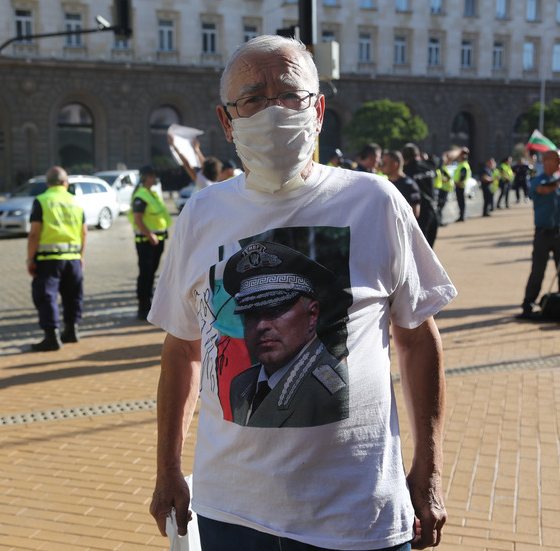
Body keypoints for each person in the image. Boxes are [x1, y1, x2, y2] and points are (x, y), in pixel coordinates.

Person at [148, 35, 454, 551]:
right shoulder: (200, 216)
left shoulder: (374, 202)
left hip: (357, 517)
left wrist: (429, 472)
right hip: (231, 513)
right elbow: (182, 350)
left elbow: (419, 341)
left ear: (318, 109)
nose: (273, 110)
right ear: (227, 121)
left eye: (290, 94)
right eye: (252, 98)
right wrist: (167, 470)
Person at [222, 242, 347, 427]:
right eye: (251, 315)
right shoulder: (242, 384)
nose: (261, 325)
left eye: (275, 310)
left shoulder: (330, 390)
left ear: (311, 315)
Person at [26, 166, 88, 351]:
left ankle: (51, 336)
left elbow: (34, 234)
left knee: (47, 297)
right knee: (73, 296)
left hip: (48, 259)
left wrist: (30, 260)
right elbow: (84, 232)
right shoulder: (75, 202)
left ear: (48, 183)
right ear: (65, 182)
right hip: (73, 258)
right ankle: (71, 330)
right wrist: (81, 257)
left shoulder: (42, 200)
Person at [519, 149, 560, 319]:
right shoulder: (538, 180)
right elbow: (545, 189)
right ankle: (528, 306)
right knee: (538, 271)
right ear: (545, 161)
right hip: (543, 234)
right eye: (557, 160)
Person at [132, 165, 173, 320]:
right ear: (147, 177)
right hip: (146, 241)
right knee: (145, 274)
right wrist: (149, 235)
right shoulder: (141, 195)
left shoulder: (152, 194)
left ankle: (148, 304)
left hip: (157, 240)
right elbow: (137, 219)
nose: (155, 178)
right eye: (153, 175)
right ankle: (143, 306)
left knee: (151, 273)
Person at [401, 143, 440, 247]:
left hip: (417, 213)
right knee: (429, 248)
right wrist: (459, 151)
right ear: (418, 155)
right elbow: (446, 157)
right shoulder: (429, 166)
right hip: (433, 210)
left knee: (417, 249)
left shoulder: (405, 172)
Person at [382, 150, 422, 220]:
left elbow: (415, 213)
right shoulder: (386, 183)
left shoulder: (409, 186)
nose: (381, 166)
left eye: (384, 163)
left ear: (395, 165)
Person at [453, 148, 471, 222]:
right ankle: (462, 215)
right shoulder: (464, 165)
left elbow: (462, 177)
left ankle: (462, 216)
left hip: (460, 186)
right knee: (461, 201)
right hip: (461, 185)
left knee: (461, 202)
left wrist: (457, 183)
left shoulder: (463, 165)